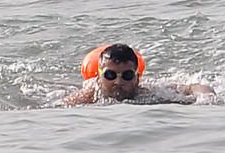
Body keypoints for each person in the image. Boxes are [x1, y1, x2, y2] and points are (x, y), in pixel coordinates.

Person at [63, 43, 216, 106]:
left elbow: (193, 87)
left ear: (137, 78)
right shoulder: (87, 97)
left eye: (127, 75)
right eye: (110, 75)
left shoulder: (150, 92)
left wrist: (207, 98)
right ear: (98, 77)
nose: (118, 81)